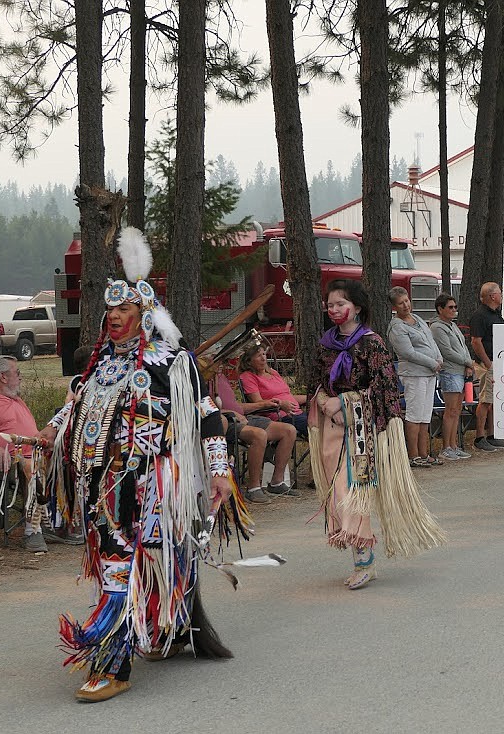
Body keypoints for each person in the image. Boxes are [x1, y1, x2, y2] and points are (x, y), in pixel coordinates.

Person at [39, 227, 241, 702]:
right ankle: (171, 629)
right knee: (139, 560)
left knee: (126, 563)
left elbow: (206, 415)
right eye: (109, 311)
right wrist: (49, 433)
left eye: (123, 310)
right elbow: (76, 404)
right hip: (103, 481)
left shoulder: (170, 363)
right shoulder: (100, 364)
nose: (113, 318)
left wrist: (218, 472)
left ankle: (113, 663)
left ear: (144, 315)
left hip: (152, 482)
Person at [308, 278, 445, 590]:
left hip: (361, 429)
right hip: (331, 429)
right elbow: (315, 383)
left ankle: (364, 561)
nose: (334, 310)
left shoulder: (372, 343)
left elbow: (384, 387)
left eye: (340, 304)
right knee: (337, 491)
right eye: (330, 305)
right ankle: (361, 555)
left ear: (357, 307)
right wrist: (326, 403)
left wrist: (345, 403)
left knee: (353, 490)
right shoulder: (325, 344)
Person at [0, 355, 82, 552]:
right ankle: (33, 530)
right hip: (1, 463)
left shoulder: (17, 400)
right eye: (17, 372)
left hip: (34, 454)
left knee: (70, 461)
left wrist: (48, 439)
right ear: (3, 377)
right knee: (30, 466)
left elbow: (32, 434)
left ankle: (57, 523)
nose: (21, 377)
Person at [211, 369, 297, 500]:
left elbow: (238, 406)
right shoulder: (205, 378)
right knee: (259, 435)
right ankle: (253, 487)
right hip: (225, 420)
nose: (222, 364)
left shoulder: (221, 376)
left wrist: (264, 404)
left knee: (289, 430)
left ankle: (277, 482)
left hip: (243, 417)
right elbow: (207, 407)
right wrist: (231, 412)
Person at [387, 286, 444, 467]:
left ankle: (424, 452)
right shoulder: (397, 327)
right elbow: (409, 353)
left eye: (406, 301)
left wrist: (439, 357)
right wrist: (431, 362)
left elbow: (430, 341)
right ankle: (413, 455)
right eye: (400, 303)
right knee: (414, 413)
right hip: (414, 374)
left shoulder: (417, 318)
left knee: (426, 414)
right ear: (394, 307)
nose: (405, 305)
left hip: (429, 373)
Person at [429, 293, 474, 460]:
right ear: (440, 309)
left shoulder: (452, 326)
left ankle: (454, 445)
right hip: (450, 371)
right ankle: (446, 446)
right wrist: (467, 362)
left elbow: (462, 347)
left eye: (455, 307)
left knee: (457, 410)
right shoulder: (437, 328)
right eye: (450, 307)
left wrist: (467, 364)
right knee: (450, 410)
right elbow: (447, 351)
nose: (454, 310)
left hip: (461, 371)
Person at [469, 282, 504, 452]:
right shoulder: (480, 316)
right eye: (500, 293)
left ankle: (493, 434)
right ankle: (479, 437)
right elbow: (476, 341)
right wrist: (488, 363)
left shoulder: (496, 315)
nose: (501, 296)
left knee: (495, 401)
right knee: (486, 400)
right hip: (487, 364)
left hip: (499, 362)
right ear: (492, 296)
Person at [239, 343, 309, 437]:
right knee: (316, 426)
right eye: (258, 356)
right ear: (249, 361)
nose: (263, 358)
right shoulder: (248, 376)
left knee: (326, 421)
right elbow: (258, 402)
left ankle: (325, 450)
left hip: (297, 413)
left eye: (264, 354)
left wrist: (311, 398)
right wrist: (280, 404)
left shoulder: (273, 373)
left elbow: (288, 396)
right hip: (279, 416)